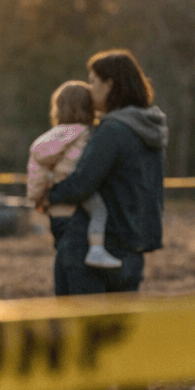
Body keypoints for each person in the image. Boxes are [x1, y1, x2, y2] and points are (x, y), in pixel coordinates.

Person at [43, 50, 168, 390]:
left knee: (85, 335)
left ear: (111, 84)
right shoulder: (150, 128)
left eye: (95, 80)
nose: (91, 88)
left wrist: (49, 194)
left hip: (91, 247)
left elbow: (83, 182)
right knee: (123, 336)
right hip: (131, 245)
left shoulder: (113, 130)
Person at [28, 81, 122, 267]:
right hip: (77, 209)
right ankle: (97, 250)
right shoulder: (89, 134)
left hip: (55, 213)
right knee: (99, 213)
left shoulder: (47, 139)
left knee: (64, 262)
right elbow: (88, 171)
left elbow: (37, 173)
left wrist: (39, 198)